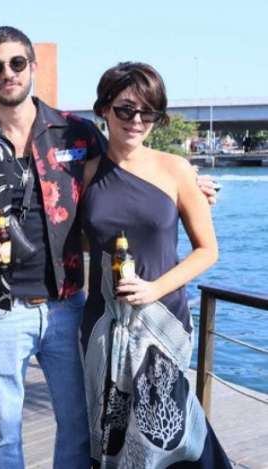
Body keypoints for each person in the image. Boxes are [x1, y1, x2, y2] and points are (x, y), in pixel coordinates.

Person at [0, 27, 219, 469]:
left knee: (77, 426)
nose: (8, 73)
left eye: (17, 63)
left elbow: (125, 168)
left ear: (32, 67)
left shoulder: (75, 133)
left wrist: (189, 186)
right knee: (3, 433)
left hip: (68, 305)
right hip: (2, 307)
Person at [79, 62, 231, 468]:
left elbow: (207, 250)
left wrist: (153, 289)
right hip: (104, 324)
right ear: (104, 109)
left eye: (148, 113)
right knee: (111, 434)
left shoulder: (176, 169)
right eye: (126, 109)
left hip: (162, 321)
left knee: (167, 433)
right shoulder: (87, 174)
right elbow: (73, 240)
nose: (137, 121)